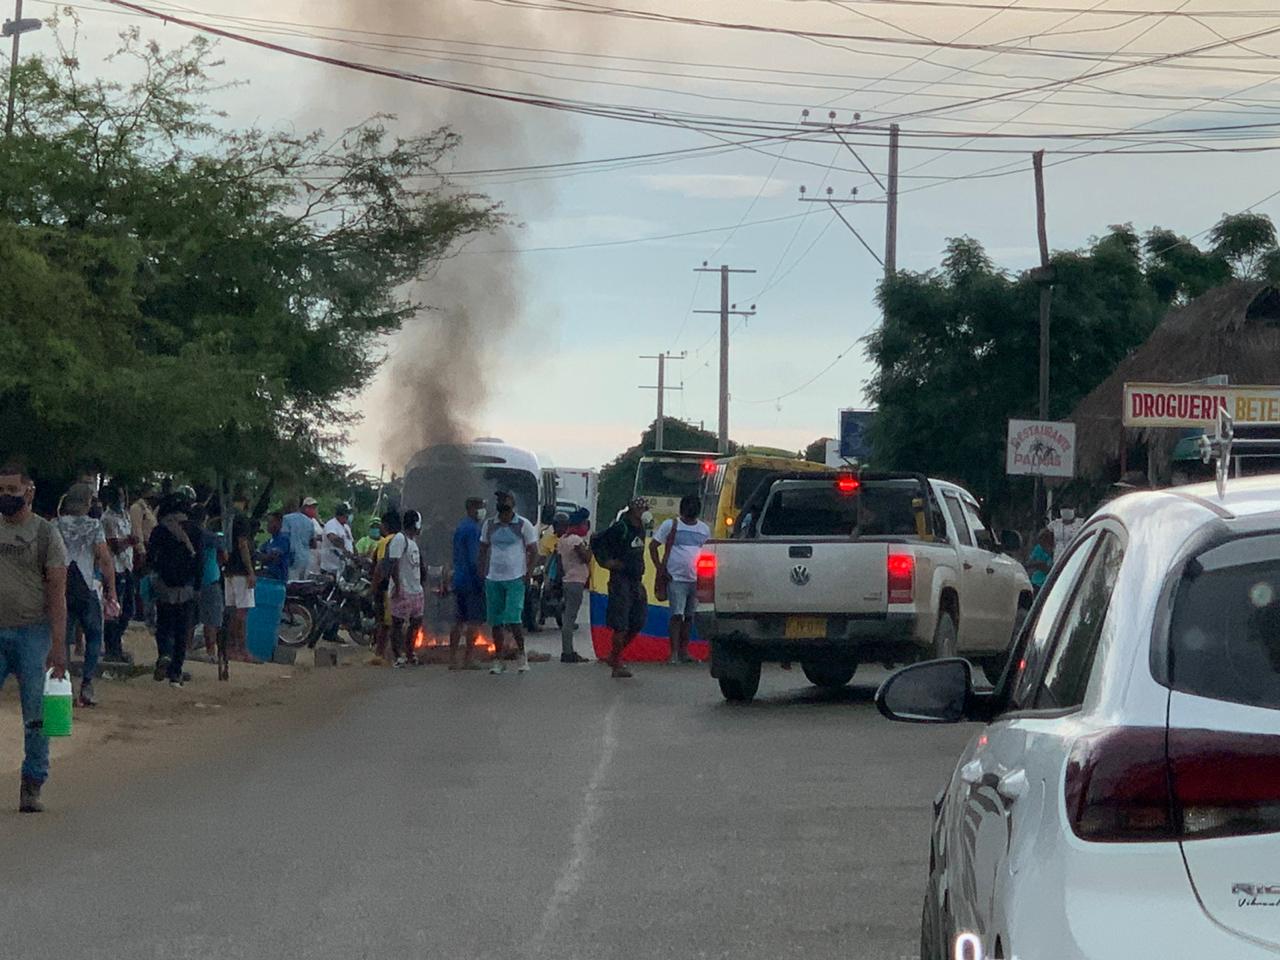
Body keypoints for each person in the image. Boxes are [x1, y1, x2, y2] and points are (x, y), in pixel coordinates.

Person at [0, 464, 68, 813]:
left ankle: (33, 782)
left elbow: (57, 591)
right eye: (2, 490)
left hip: (33, 633)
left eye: (13, 490)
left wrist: (59, 646)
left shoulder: (45, 534)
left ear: (29, 492)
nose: (6, 496)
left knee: (36, 714)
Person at [56, 482, 117, 707]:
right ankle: (87, 685)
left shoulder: (55, 525)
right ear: (87, 502)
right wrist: (112, 590)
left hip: (61, 588)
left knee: (62, 638)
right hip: (87, 587)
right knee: (94, 636)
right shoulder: (94, 526)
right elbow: (104, 558)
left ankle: (63, 682)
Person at [479, 490, 538, 675]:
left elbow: (533, 551)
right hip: (493, 578)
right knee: (496, 622)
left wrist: (528, 574)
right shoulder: (489, 525)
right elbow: (483, 548)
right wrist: (482, 571)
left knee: (514, 619)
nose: (502, 504)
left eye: (505, 500)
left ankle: (521, 655)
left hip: (515, 579)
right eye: (499, 500)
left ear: (512, 504)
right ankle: (498, 659)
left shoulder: (523, 525)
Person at [592, 497, 652, 679]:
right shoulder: (621, 527)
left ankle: (614, 654)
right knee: (621, 625)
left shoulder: (640, 528)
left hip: (635, 579)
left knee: (638, 620)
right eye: (642, 508)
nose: (644, 512)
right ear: (634, 509)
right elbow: (597, 541)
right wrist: (607, 562)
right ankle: (617, 663)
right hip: (621, 580)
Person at [147, 493, 202, 688]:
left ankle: (164, 654)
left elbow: (150, 557)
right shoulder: (195, 530)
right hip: (186, 587)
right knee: (182, 630)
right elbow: (200, 560)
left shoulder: (159, 530)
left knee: (163, 625)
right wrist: (198, 586)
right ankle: (175, 673)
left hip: (164, 586)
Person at [651, 495, 710, 665]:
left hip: (696, 580)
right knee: (677, 616)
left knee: (689, 617)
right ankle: (674, 653)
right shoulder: (671, 525)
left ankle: (684, 652)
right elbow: (653, 546)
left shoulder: (704, 529)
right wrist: (661, 569)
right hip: (675, 578)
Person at [449, 498, 487, 670]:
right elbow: (475, 559)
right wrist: (481, 579)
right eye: (480, 507)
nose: (482, 511)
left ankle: (452, 659)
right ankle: (468, 659)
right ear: (472, 508)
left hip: (459, 578)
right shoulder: (473, 529)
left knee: (458, 620)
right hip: (471, 581)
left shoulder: (460, 527)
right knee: (474, 620)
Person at [100, 484, 137, 664]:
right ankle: (111, 648)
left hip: (126, 566)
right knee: (114, 611)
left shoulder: (125, 515)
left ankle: (116, 645)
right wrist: (130, 541)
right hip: (115, 568)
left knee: (128, 610)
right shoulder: (107, 518)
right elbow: (113, 545)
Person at [386, 509, 426, 668]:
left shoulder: (413, 542)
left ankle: (410, 652)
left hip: (415, 590)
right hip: (403, 590)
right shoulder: (399, 539)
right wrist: (398, 586)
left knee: (416, 621)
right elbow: (394, 563)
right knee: (398, 623)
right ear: (416, 524)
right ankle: (398, 656)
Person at [190, 503, 226, 670]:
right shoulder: (211, 537)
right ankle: (211, 652)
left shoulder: (187, 534)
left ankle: (187, 648)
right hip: (210, 579)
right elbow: (224, 556)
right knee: (211, 619)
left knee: (190, 617)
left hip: (190, 580)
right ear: (204, 519)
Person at [556, 508, 593, 664]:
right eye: (584, 523)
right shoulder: (576, 540)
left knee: (568, 617)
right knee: (570, 618)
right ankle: (567, 652)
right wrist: (591, 547)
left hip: (568, 580)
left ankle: (568, 650)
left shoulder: (563, 539)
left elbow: (559, 563)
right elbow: (586, 558)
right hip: (576, 581)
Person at [223, 497, 257, 663]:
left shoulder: (227, 518)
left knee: (231, 611)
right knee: (241, 612)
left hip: (228, 570)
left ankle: (229, 647)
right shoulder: (242, 519)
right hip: (240, 571)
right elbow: (242, 544)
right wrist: (250, 570)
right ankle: (241, 649)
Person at [369, 509, 401, 665]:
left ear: (386, 525)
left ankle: (380, 654)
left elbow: (380, 567)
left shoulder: (385, 542)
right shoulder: (403, 540)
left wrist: (373, 588)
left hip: (386, 588)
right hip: (400, 587)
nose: (379, 527)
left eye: (381, 524)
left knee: (385, 623)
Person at [282, 499, 319, 581]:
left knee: (290, 584)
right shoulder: (310, 522)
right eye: (312, 508)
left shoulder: (286, 519)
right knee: (302, 585)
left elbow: (284, 538)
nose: (314, 511)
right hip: (305, 558)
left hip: (291, 557)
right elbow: (313, 544)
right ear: (304, 507)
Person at [321, 502, 355, 576]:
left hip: (343, 567)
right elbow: (333, 538)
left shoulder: (346, 527)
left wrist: (355, 556)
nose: (348, 516)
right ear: (342, 514)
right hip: (331, 568)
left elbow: (351, 543)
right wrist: (345, 550)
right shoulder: (331, 524)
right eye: (347, 514)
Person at [259, 511, 292, 582]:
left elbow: (272, 556)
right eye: (268, 522)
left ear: (279, 523)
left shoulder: (283, 539)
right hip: (268, 576)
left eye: (271, 522)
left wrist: (261, 557)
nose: (268, 525)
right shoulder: (269, 541)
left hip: (278, 578)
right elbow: (260, 551)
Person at [1026, 527, 1054, 593]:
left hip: (1048, 585)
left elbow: (1052, 571)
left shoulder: (1057, 552)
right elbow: (1029, 563)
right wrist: (1037, 564)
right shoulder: (1038, 548)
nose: (1042, 546)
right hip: (1035, 583)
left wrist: (1042, 565)